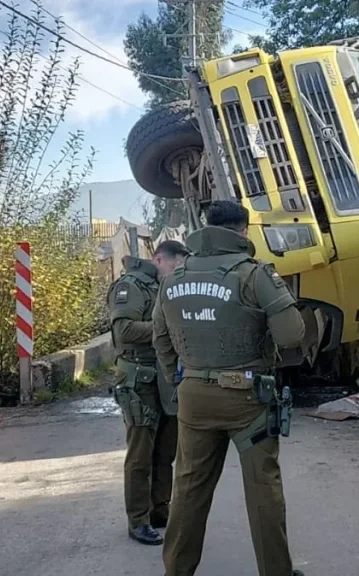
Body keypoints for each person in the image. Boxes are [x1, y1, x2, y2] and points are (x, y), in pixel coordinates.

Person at [152, 200, 306, 576]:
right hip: (247, 401)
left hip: (193, 401)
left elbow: (160, 340)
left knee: (188, 489)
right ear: (243, 231)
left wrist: (182, 377)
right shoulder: (253, 274)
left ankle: (176, 571)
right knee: (263, 490)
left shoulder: (174, 277)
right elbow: (291, 335)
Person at [107, 240, 190, 546]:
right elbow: (123, 331)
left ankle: (159, 509)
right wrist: (164, 327)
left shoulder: (163, 285)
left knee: (166, 450)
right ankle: (138, 520)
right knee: (140, 453)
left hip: (164, 377)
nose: (178, 272)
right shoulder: (131, 287)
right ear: (159, 259)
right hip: (138, 378)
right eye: (175, 266)